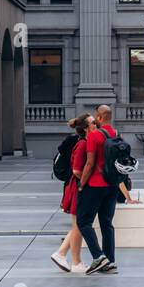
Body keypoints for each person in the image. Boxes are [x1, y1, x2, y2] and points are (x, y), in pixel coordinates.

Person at [76, 103, 119, 275]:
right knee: (106, 223)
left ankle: (99, 256)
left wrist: (81, 185)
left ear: (100, 117)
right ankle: (110, 262)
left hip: (95, 185)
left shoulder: (94, 136)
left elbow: (89, 163)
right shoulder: (116, 134)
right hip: (112, 185)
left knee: (83, 221)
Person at [52, 113, 92, 273]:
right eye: (92, 122)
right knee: (79, 224)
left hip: (75, 185)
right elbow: (76, 169)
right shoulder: (82, 144)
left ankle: (74, 261)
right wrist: (85, 183)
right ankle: (64, 255)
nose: (96, 124)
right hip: (77, 186)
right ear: (86, 128)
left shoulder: (80, 142)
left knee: (79, 225)